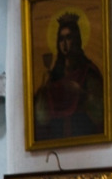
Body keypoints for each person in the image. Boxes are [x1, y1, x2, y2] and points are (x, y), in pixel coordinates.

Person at [33, 12, 105, 142]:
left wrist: (81, 93)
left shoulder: (88, 71)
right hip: (56, 136)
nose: (64, 44)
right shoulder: (55, 74)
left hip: (82, 133)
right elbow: (41, 117)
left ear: (76, 40)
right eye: (61, 39)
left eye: (68, 38)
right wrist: (43, 92)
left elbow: (100, 113)